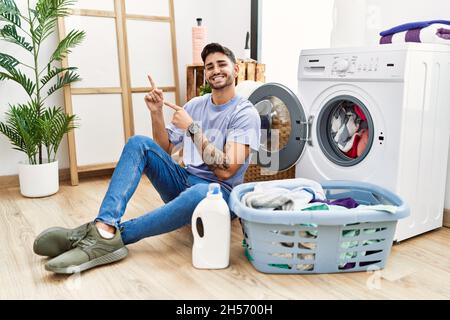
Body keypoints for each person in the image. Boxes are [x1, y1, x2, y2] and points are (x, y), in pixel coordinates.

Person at [33, 43, 261, 274]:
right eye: (209, 66)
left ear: (235, 71)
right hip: (183, 183)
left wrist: (192, 128)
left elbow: (226, 171)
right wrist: (156, 113)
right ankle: (104, 225)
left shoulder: (245, 113)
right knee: (138, 143)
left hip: (218, 196)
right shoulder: (195, 105)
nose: (215, 70)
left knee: (201, 192)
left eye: (222, 64)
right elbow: (163, 148)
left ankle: (104, 236)